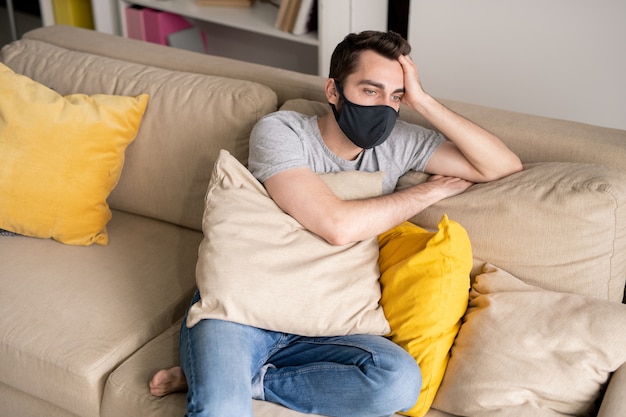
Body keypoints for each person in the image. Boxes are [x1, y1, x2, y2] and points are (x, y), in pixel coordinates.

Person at [150, 31, 522, 417]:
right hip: (242, 312)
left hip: (327, 322)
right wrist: (423, 194)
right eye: (370, 90)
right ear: (333, 90)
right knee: (220, 409)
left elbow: (503, 166)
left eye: (395, 96)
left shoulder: (398, 142)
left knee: (399, 382)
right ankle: (223, 381)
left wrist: (423, 101)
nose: (384, 107)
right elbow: (336, 225)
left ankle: (246, 380)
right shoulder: (282, 131)